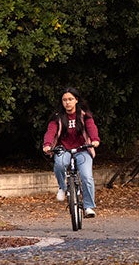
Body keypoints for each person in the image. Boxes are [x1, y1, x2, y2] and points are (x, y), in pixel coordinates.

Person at [42, 87, 100, 218]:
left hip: (83, 149)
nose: (67, 102)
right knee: (59, 164)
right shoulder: (57, 117)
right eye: (64, 100)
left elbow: (92, 128)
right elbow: (50, 131)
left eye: (70, 99)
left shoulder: (84, 115)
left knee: (86, 177)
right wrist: (47, 145)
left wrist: (95, 140)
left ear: (76, 100)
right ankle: (62, 187)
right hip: (63, 149)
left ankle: (89, 206)